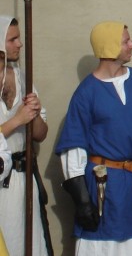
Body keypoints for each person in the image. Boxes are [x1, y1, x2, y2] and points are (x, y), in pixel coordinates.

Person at [55, 21, 132, 255]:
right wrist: (83, 201)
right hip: (105, 189)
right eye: (126, 41)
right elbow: (73, 148)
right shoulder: (86, 94)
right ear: (109, 47)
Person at [0, 17, 51, 256]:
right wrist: (17, 120)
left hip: (24, 179)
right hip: (1, 182)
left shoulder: (23, 77)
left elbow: (40, 135)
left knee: (30, 244)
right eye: (12, 39)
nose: (19, 44)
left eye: (19, 38)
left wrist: (34, 115)